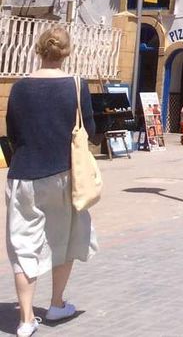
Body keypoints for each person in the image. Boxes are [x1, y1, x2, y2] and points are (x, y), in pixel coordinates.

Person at [5, 27, 98, 337]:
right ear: (66, 52)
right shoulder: (76, 86)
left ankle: (26, 319)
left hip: (24, 175)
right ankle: (57, 303)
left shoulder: (18, 88)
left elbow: (13, 134)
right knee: (67, 236)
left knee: (23, 245)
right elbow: (91, 128)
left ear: (37, 49)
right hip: (65, 175)